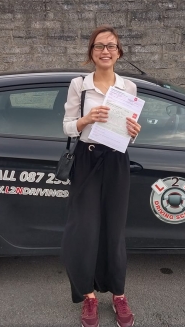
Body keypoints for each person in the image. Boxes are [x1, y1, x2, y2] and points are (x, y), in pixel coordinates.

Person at [61, 25, 141, 327]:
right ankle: (89, 296)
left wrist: (134, 133)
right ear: (91, 53)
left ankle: (119, 294)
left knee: (114, 230)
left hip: (117, 159)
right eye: (99, 46)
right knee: (85, 230)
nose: (105, 51)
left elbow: (128, 131)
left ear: (119, 52)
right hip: (87, 160)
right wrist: (86, 119)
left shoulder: (128, 88)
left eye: (111, 46)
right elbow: (67, 127)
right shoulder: (79, 85)